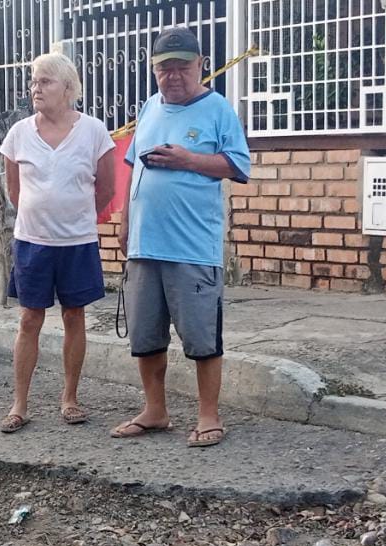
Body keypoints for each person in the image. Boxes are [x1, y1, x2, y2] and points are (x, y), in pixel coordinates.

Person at [113, 27, 251, 447]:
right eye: (163, 68)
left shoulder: (218, 110)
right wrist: (123, 221)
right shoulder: (151, 106)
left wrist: (189, 160)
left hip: (192, 247)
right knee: (145, 336)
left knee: (202, 336)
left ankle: (209, 415)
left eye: (181, 68)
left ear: (201, 66)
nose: (172, 76)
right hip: (144, 244)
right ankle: (155, 411)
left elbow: (237, 166)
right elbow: (134, 166)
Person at [0, 52, 115, 433]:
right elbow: (14, 191)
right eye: (33, 81)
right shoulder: (19, 134)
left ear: (68, 87)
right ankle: (19, 405)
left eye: (45, 81)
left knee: (73, 315)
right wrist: (42, 216)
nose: (36, 88)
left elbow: (106, 189)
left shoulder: (94, 131)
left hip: (77, 243)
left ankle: (70, 398)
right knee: (29, 318)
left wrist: (74, 219)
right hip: (32, 242)